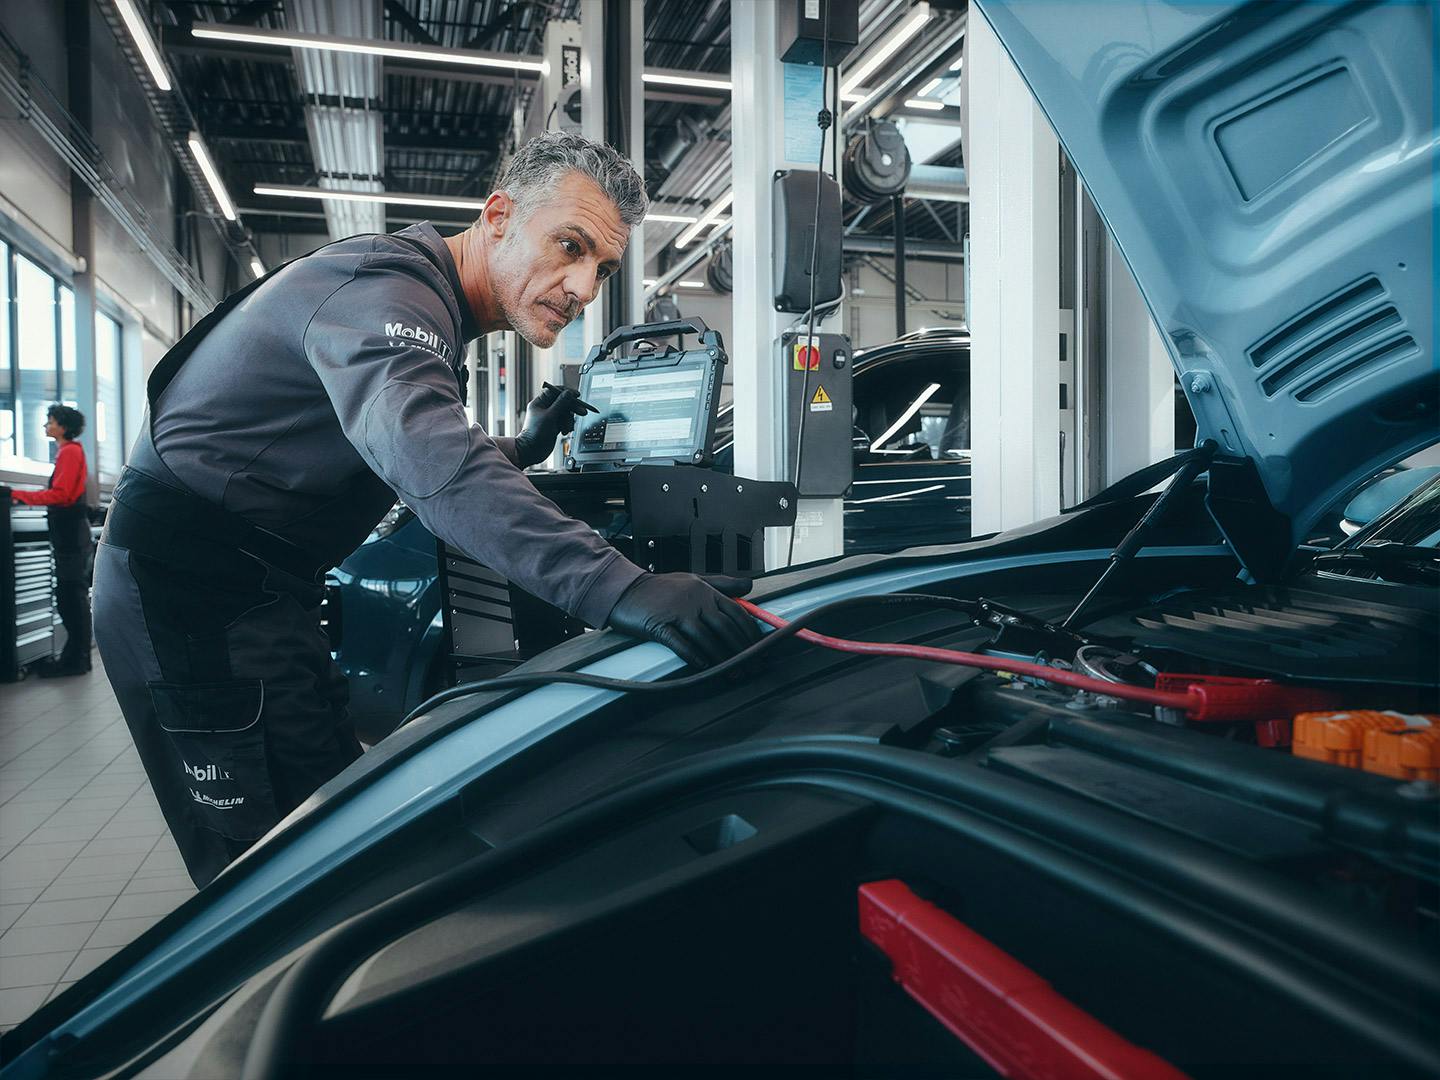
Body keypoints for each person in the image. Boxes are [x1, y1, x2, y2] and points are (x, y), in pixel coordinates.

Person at [92, 131, 760, 888]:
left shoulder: (422, 305)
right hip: (187, 598)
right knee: (275, 875)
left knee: (328, 829)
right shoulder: (388, 293)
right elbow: (432, 462)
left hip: (256, 593)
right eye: (570, 246)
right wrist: (623, 588)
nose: (582, 287)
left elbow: (394, 445)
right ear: (499, 216)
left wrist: (520, 447)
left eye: (601, 268)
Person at [11, 404, 93, 677]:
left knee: (70, 597)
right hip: (71, 534)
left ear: (64, 426)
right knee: (71, 595)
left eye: (51, 421)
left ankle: (75, 660)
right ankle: (76, 658)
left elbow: (62, 494)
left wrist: (19, 495)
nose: (46, 425)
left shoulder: (69, 452)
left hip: (70, 535)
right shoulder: (70, 451)